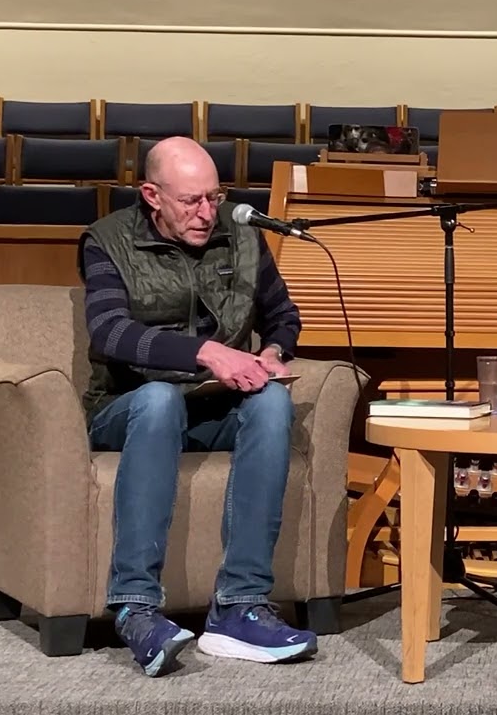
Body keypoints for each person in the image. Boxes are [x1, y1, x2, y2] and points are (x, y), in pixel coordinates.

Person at [78, 136, 316, 677]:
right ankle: (136, 607)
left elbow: (283, 315)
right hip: (127, 407)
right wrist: (209, 353)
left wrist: (273, 354)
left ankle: (240, 606)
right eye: (192, 201)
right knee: (160, 400)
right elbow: (111, 332)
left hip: (211, 410)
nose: (208, 213)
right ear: (151, 195)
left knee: (273, 405)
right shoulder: (107, 241)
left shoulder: (244, 235)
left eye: (215, 197)